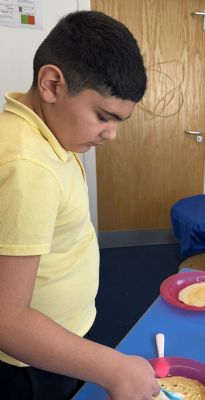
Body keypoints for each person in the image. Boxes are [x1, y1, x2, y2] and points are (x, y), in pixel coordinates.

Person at [0, 10, 160, 400]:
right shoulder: (29, 166)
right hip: (30, 361)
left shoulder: (51, 132)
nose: (112, 135)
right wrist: (115, 369)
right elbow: (7, 319)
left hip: (60, 333)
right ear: (52, 84)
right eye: (103, 117)